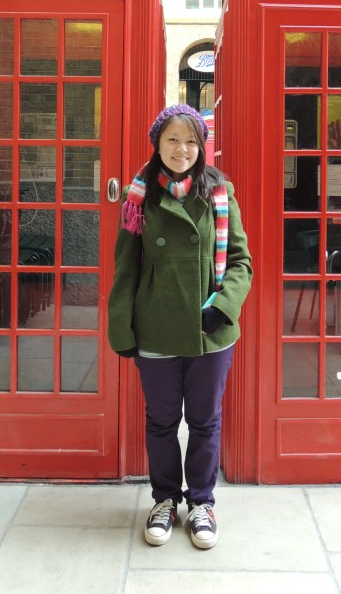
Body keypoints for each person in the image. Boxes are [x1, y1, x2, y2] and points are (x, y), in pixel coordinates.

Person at [108, 104, 252, 550]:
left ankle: (202, 503)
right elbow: (126, 268)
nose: (182, 149)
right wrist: (122, 326)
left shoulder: (220, 191)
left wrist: (223, 307)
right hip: (158, 324)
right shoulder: (140, 196)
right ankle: (165, 500)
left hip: (211, 328)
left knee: (206, 422)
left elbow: (242, 262)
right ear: (158, 144)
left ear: (201, 146)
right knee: (162, 421)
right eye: (172, 139)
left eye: (191, 140)